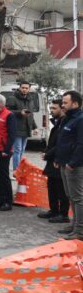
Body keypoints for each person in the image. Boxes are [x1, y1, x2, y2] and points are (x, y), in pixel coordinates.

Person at [54, 90, 83, 240]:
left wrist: (73, 163)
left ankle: (80, 231)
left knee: (78, 198)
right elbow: (62, 141)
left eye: (65, 103)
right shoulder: (67, 118)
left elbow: (81, 144)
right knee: (70, 195)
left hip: (74, 166)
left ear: (75, 104)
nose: (62, 105)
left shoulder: (80, 119)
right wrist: (58, 159)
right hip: (64, 163)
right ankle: (75, 225)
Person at [38, 99, 69, 223]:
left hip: (59, 159)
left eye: (54, 108)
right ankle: (54, 210)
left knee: (60, 188)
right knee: (51, 186)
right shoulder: (57, 122)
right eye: (51, 108)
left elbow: (62, 143)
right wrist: (46, 151)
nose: (51, 111)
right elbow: (53, 141)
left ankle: (63, 214)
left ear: (62, 109)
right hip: (52, 159)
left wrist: (48, 154)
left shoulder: (65, 122)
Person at [5, 81, 37, 171]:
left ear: (29, 89)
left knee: (22, 150)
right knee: (17, 150)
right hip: (16, 128)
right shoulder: (12, 98)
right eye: (23, 87)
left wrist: (35, 127)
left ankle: (19, 169)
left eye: (26, 88)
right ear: (19, 88)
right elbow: (7, 111)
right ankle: (16, 170)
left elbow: (31, 115)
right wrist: (20, 112)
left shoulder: (30, 100)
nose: (24, 89)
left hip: (26, 129)